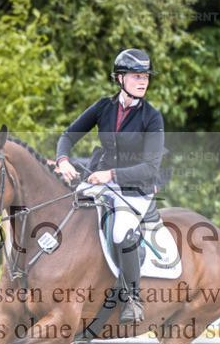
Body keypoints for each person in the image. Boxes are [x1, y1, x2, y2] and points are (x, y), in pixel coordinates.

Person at [54, 48, 165, 323]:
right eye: (137, 76)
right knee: (68, 213)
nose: (143, 82)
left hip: (135, 190)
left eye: (146, 77)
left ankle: (132, 299)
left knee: (120, 232)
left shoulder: (152, 117)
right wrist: (63, 159)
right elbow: (68, 135)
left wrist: (111, 174)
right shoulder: (104, 106)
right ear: (119, 78)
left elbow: (151, 167)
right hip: (102, 183)